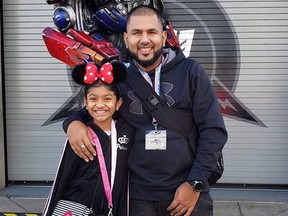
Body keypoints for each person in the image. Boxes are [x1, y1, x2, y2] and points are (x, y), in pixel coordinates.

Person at [63, 5, 228, 216]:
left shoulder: (190, 72)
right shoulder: (118, 76)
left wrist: (195, 184)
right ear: (125, 38)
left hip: (186, 192)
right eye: (136, 33)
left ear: (164, 35)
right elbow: (96, 108)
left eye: (151, 32)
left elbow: (213, 131)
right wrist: (73, 123)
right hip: (136, 196)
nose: (144, 40)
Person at [43, 61, 134, 216]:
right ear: (85, 102)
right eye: (93, 99)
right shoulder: (80, 134)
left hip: (108, 208)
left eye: (107, 99)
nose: (100, 105)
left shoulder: (127, 131)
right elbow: (65, 175)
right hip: (77, 207)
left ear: (118, 103)